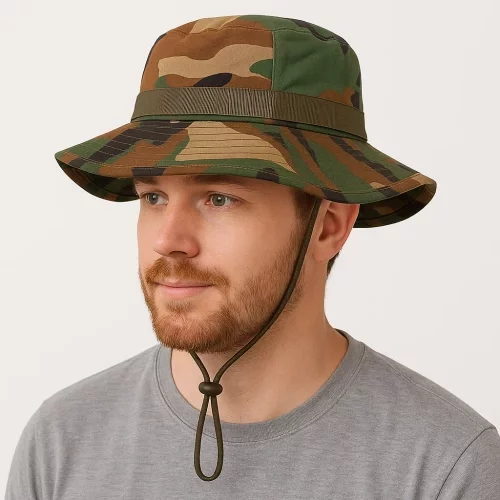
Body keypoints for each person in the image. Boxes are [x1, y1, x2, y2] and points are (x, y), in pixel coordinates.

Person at [6, 14, 500, 498]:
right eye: (153, 197)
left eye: (219, 198)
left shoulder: (445, 467)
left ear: (328, 226)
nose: (169, 240)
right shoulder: (62, 442)